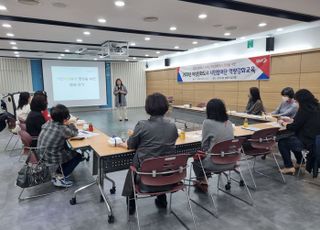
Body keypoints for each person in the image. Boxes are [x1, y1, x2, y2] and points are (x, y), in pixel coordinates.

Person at [121, 93, 178, 215]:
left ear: (148, 108)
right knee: (161, 161)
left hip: (145, 178)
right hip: (169, 177)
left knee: (134, 169)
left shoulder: (142, 125)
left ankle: (131, 205)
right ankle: (162, 200)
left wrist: (133, 136)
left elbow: (131, 145)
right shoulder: (173, 126)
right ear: (166, 107)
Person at [193, 98, 234, 193]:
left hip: (216, 163)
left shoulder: (207, 123)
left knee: (196, 161)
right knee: (205, 156)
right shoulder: (229, 123)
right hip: (231, 161)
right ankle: (203, 180)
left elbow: (204, 146)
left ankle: (203, 181)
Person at [37, 104, 83, 188]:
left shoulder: (49, 122)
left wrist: (66, 123)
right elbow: (75, 133)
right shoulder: (62, 128)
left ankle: (59, 172)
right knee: (78, 156)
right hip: (51, 157)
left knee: (67, 148)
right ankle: (59, 177)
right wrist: (71, 123)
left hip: (41, 154)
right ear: (65, 118)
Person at [278, 89, 320, 174]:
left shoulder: (304, 110)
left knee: (283, 141)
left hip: (309, 142)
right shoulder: (317, 107)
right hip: (316, 140)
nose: (296, 103)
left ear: (301, 100)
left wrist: (283, 123)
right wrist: (291, 120)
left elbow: (294, 127)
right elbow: (304, 122)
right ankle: (300, 162)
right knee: (292, 139)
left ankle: (289, 167)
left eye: (297, 101)